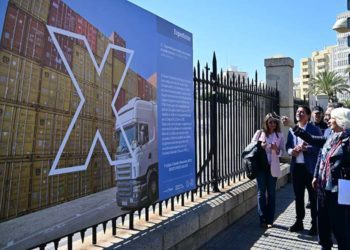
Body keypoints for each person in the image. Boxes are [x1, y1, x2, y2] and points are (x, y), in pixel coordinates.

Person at [282, 107, 350, 250]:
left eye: (331, 117)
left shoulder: (348, 141)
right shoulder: (331, 136)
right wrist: (293, 126)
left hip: (340, 190)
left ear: (340, 121)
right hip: (323, 189)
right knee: (323, 225)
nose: (328, 120)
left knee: (340, 227)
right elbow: (313, 142)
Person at [285, 105, 321, 235]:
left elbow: (319, 148)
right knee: (298, 197)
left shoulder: (314, 129)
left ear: (308, 115)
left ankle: (315, 224)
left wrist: (307, 149)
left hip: (310, 169)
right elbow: (288, 145)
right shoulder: (291, 130)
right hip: (297, 168)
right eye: (297, 112)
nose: (299, 114)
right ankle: (299, 222)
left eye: (302, 112)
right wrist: (291, 151)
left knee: (313, 197)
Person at [251, 113, 285, 228]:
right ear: (266, 123)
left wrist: (276, 150)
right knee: (261, 193)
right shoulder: (259, 133)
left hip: (273, 166)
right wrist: (261, 146)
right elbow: (252, 148)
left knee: (271, 193)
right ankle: (262, 219)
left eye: (274, 122)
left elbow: (282, 152)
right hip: (261, 167)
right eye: (270, 122)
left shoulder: (279, 135)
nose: (272, 124)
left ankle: (270, 219)